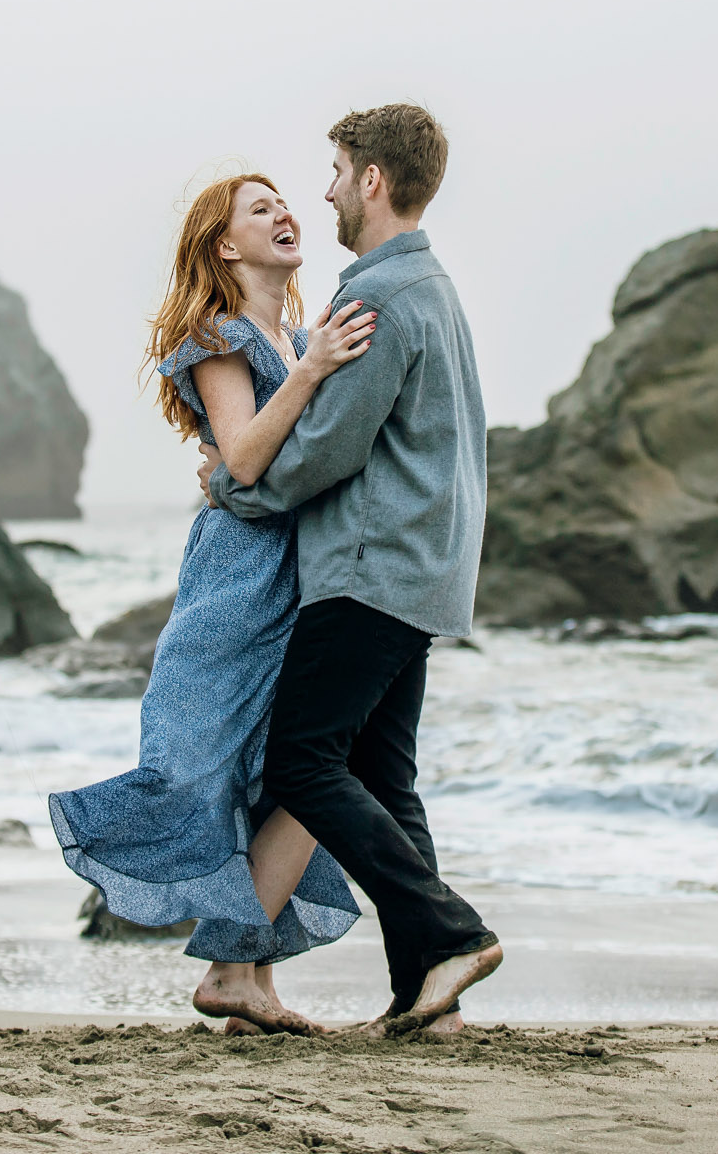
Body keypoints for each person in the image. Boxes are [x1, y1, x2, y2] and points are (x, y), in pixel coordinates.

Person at [49, 171, 378, 1036]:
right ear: (225, 246)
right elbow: (240, 460)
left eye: (284, 202)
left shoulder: (301, 333)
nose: (284, 214)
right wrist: (309, 370)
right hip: (240, 573)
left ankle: (248, 984)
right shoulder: (221, 336)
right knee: (214, 761)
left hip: (307, 571)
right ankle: (235, 974)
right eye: (258, 209)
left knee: (293, 771)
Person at [199, 104, 501, 1037]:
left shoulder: (378, 297)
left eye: (334, 171)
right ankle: (427, 992)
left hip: (370, 569)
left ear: (373, 180)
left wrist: (231, 488)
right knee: (384, 775)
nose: (324, 189)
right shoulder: (435, 289)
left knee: (303, 758)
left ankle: (451, 934)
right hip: (426, 570)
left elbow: (328, 444)